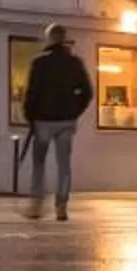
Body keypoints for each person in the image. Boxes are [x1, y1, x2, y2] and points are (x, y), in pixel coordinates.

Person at [17, 25, 93, 219]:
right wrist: (75, 111)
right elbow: (87, 92)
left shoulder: (39, 62)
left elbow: (31, 93)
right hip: (66, 121)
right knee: (64, 164)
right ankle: (61, 206)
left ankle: (36, 205)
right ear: (64, 39)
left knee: (39, 163)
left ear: (49, 39)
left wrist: (30, 115)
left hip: (43, 120)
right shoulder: (74, 63)